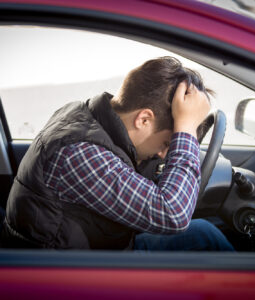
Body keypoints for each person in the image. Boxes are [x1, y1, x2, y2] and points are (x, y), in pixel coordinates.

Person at [1, 57, 233, 251]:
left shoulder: (89, 117)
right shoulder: (79, 153)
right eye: (166, 143)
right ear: (143, 119)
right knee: (206, 240)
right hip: (68, 276)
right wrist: (186, 130)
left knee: (204, 233)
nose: (164, 155)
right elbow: (174, 214)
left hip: (99, 248)